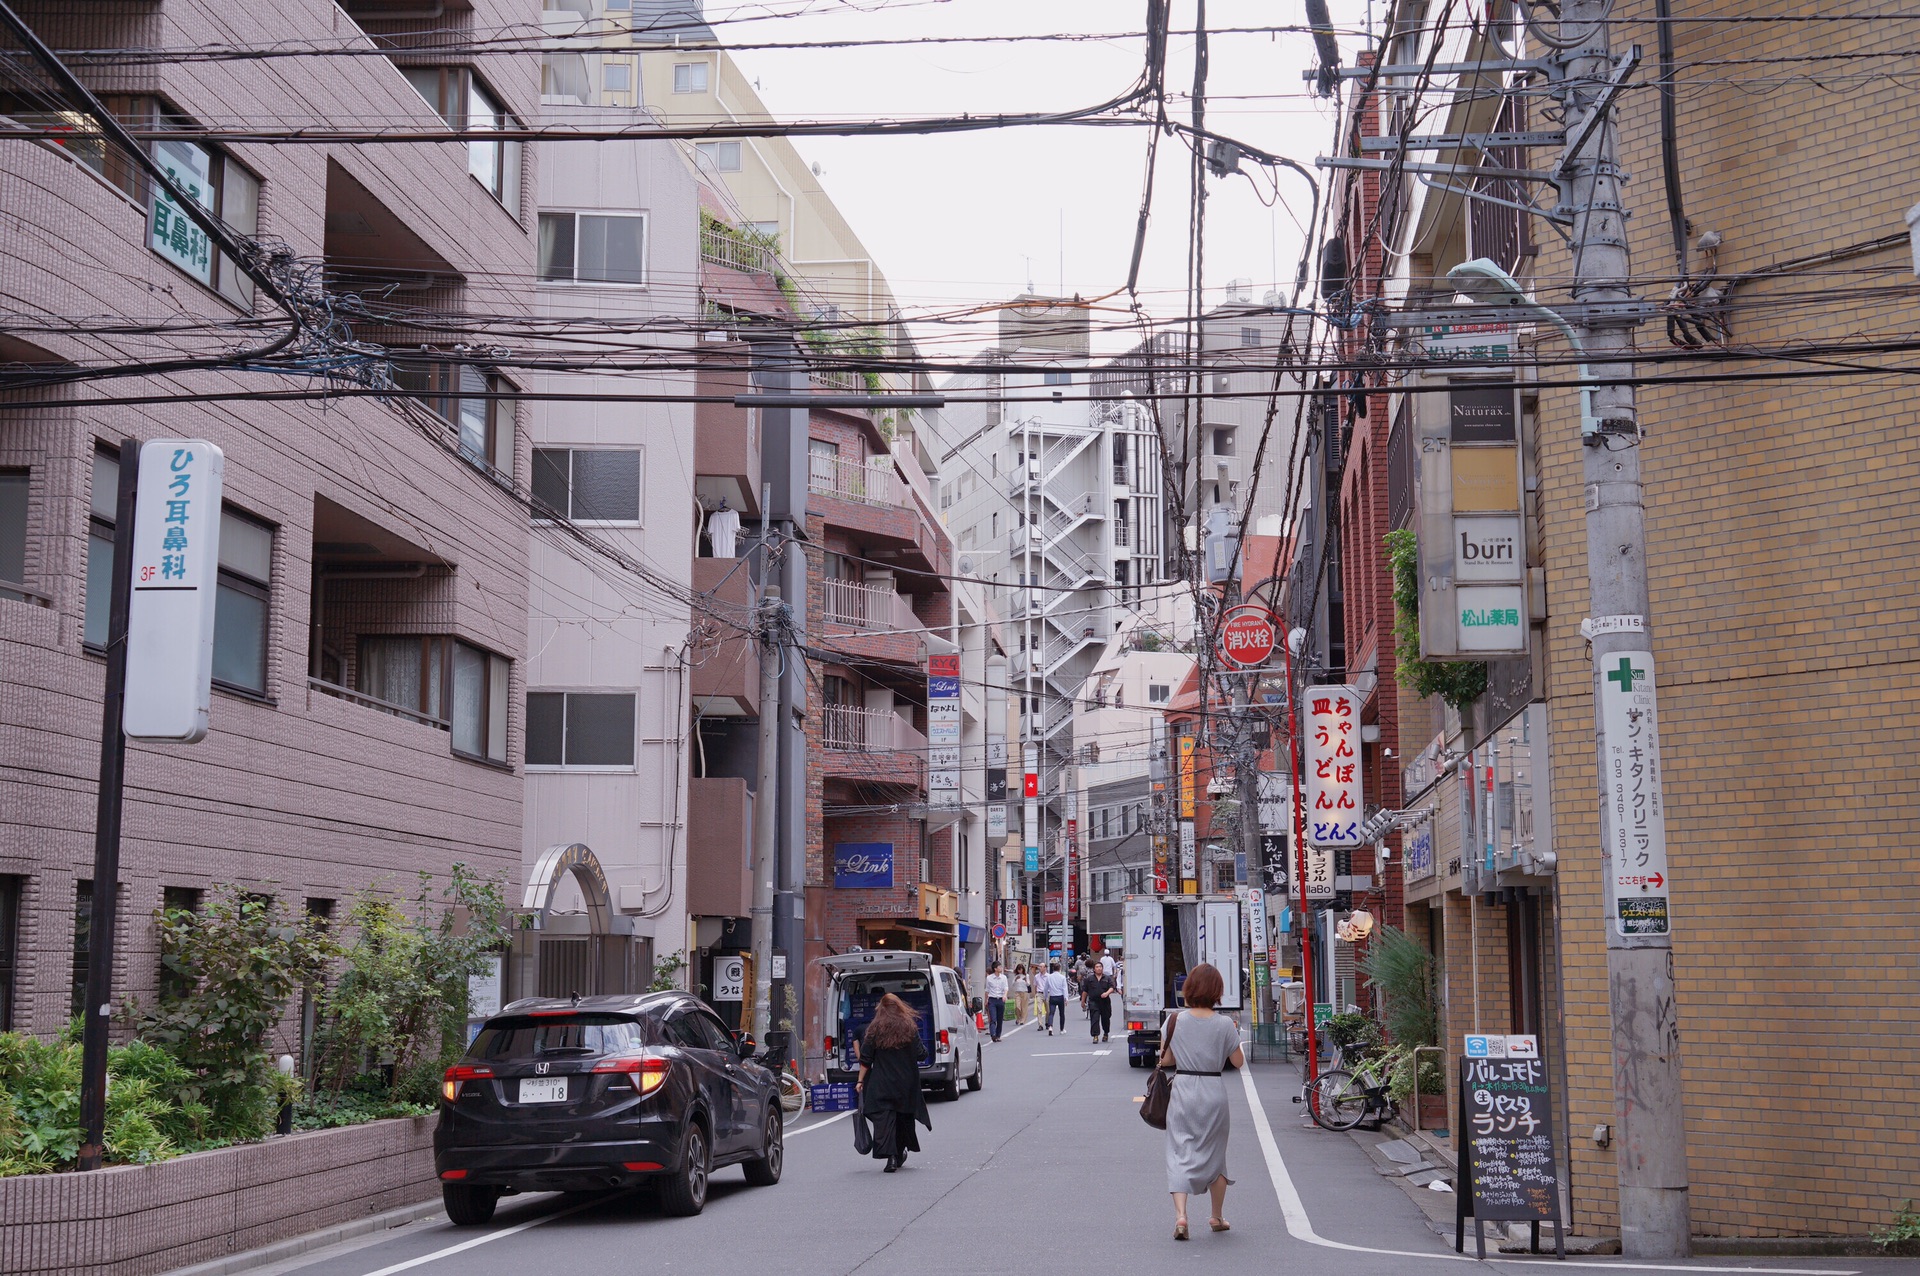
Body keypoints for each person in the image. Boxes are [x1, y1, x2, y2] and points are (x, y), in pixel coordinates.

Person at [1162, 962, 1245, 1241]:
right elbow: (1238, 1062)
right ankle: (1216, 1216)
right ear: (1217, 991)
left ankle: (1181, 1216)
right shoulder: (1224, 1024)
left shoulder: (1175, 1020)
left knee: (1179, 1152)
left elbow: (1167, 1061)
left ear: (1189, 989)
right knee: (1215, 1155)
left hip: (1183, 1089)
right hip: (1213, 1090)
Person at [856, 993, 932, 1173]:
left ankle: (890, 1158)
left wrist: (860, 1081)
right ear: (899, 1007)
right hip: (906, 1083)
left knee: (884, 1119)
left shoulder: (874, 1029)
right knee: (902, 1118)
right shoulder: (909, 1027)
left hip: (882, 1082)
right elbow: (921, 1054)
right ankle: (899, 1152)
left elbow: (866, 1059)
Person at [1082, 963, 1115, 1042]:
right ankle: (1095, 1035)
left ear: (1102, 968)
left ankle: (1106, 1033)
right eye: (1097, 967)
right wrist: (1083, 1001)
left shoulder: (1107, 978)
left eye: (1100, 967)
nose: (1099, 968)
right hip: (1094, 1001)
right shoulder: (1089, 979)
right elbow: (1085, 991)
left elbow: (1112, 987)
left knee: (1105, 1019)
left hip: (1105, 1002)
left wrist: (1107, 993)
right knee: (1094, 1019)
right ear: (1094, 969)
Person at [984, 963, 1008, 1042]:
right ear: (995, 969)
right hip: (992, 999)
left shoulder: (1004, 977)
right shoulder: (989, 978)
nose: (1001, 968)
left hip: (1001, 999)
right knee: (993, 1018)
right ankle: (993, 1034)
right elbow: (987, 990)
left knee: (1000, 1019)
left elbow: (1006, 988)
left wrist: (1004, 995)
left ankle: (998, 1035)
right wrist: (986, 1000)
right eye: (999, 967)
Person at [1043, 960, 1068, 1035]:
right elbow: (1064, 988)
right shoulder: (1062, 977)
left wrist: (1045, 996)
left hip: (1052, 997)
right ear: (1059, 969)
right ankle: (1062, 1029)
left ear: (1053, 968)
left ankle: (1050, 1026)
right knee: (1062, 1013)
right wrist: (1066, 998)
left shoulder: (1049, 977)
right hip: (1060, 997)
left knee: (1051, 1013)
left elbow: (1045, 988)